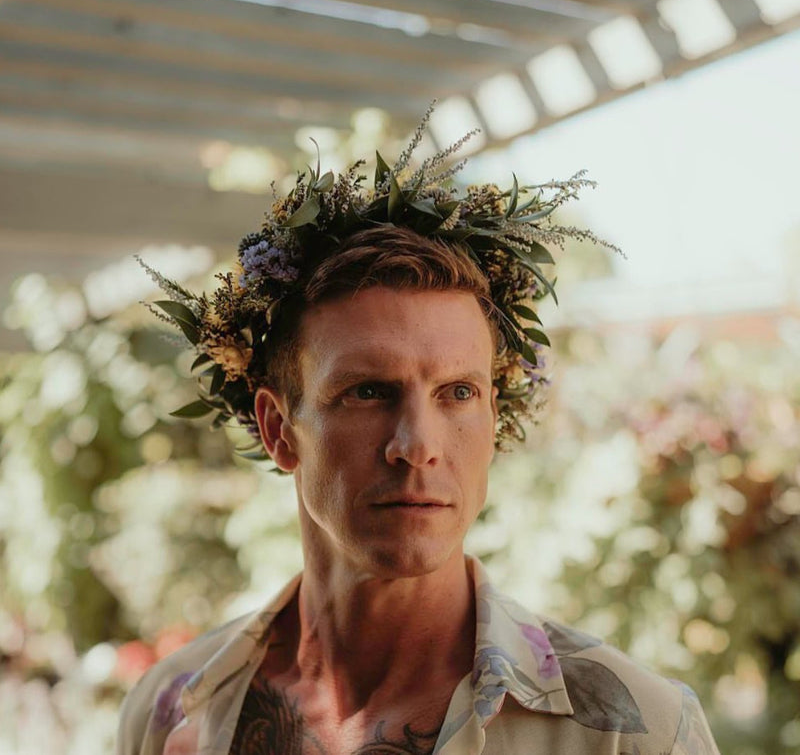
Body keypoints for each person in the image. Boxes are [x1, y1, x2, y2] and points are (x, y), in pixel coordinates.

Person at [120, 114, 720, 754]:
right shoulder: (168, 713)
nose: (417, 446)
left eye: (458, 393)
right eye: (367, 392)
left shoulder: (637, 735)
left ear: (493, 418)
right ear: (279, 429)